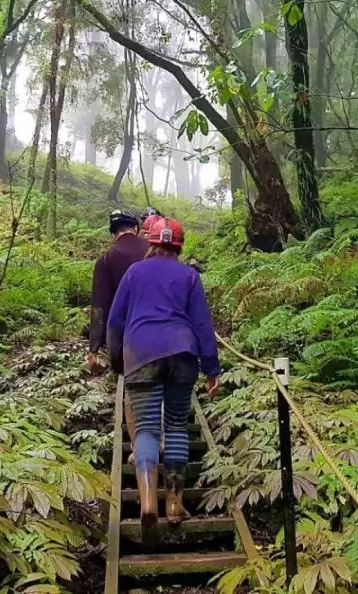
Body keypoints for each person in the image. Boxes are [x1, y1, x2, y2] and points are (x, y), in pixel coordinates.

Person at [107, 217, 221, 532]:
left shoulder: (134, 272)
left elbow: (115, 320)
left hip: (141, 353)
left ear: (152, 242)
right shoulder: (189, 276)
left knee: (146, 430)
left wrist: (116, 358)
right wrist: (212, 368)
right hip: (182, 354)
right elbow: (202, 324)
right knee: (176, 429)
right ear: (179, 246)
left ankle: (147, 504)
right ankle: (173, 505)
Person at [87, 209, 148, 458]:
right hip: (163, 330)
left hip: (125, 335)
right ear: (135, 227)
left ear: (114, 233)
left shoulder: (106, 259)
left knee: (132, 388)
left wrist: (94, 347)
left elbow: (99, 305)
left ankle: (139, 445)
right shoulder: (153, 250)